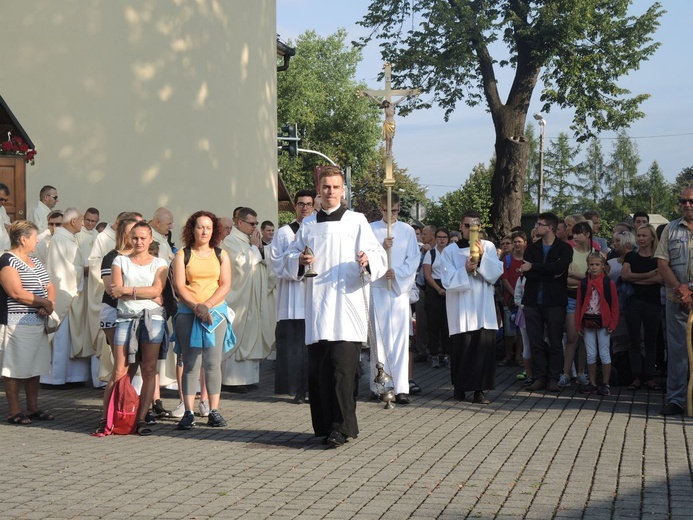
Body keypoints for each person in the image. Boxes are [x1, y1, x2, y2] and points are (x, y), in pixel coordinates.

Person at [286, 166, 387, 447]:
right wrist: (299, 261)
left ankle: (342, 427)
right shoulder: (307, 225)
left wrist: (368, 260)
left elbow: (378, 254)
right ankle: (324, 425)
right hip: (318, 306)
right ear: (319, 190)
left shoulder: (357, 221)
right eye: (326, 187)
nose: (330, 192)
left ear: (343, 191)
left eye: (335, 187)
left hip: (347, 305)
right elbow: (289, 257)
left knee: (343, 371)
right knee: (320, 372)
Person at [98, 221, 168, 436]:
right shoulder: (120, 260)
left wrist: (128, 290)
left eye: (143, 238)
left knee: (148, 370)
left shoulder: (160, 263)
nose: (138, 242)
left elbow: (158, 289)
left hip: (152, 320)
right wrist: (145, 293)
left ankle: (141, 419)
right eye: (135, 237)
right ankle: (108, 418)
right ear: (129, 238)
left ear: (150, 239)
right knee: (120, 370)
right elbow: (115, 291)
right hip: (125, 318)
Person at [172, 211, 235, 430]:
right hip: (188, 314)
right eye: (200, 227)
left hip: (215, 315)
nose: (204, 231)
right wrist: (196, 307)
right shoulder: (182, 254)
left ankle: (213, 410)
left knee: (212, 363)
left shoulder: (221, 254)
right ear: (192, 229)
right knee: (190, 363)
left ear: (214, 230)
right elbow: (180, 286)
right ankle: (188, 411)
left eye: (208, 227)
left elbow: (225, 284)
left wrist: (206, 305)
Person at [441, 210, 504, 403]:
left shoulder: (489, 247)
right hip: (461, 307)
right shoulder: (450, 251)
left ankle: (480, 391)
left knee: (483, 350)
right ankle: (459, 389)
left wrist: (484, 258)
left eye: (474, 226)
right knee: (463, 349)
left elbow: (495, 274)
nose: (471, 230)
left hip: (483, 307)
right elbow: (447, 280)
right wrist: (464, 270)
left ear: (480, 227)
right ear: (461, 227)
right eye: (467, 226)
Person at [0, 221, 56, 424]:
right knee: (15, 368)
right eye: (34, 237)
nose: (37, 240)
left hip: (37, 321)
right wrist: (44, 302)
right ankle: (14, 410)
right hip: (16, 323)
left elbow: (49, 284)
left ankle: (33, 408)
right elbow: (16, 292)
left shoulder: (34, 260)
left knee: (34, 366)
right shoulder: (7, 261)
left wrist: (48, 303)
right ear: (23, 239)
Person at [369, 193, 419, 404]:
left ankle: (401, 387)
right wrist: (381, 250)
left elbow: (414, 258)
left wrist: (396, 272)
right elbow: (364, 255)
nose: (390, 215)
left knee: (399, 340)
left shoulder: (407, 231)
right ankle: (381, 386)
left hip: (398, 291)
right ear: (380, 208)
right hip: (378, 288)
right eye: (386, 211)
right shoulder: (370, 229)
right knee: (379, 339)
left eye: (395, 211)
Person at [221, 207, 275, 390]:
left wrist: (258, 248)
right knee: (240, 335)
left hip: (253, 297)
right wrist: (254, 248)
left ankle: (249, 379)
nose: (255, 227)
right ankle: (231, 380)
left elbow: (262, 261)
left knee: (253, 334)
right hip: (240, 297)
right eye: (252, 224)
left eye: (256, 223)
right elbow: (240, 264)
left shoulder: (249, 240)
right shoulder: (230, 241)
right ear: (240, 223)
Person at [521, 212, 573, 392]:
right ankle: (539, 377)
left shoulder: (564, 249)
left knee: (555, 341)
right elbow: (527, 272)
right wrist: (548, 272)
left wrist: (535, 267)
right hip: (533, 300)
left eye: (539, 224)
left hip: (555, 301)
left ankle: (553, 378)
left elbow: (559, 268)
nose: (536, 227)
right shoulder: (532, 248)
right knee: (535, 342)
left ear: (549, 227)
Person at [270, 190, 314, 403]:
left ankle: (311, 388)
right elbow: (276, 262)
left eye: (308, 204)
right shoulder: (284, 233)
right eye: (300, 204)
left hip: (312, 296)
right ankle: (294, 389)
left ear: (314, 206)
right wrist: (298, 262)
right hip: (291, 297)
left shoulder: (317, 229)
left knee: (310, 348)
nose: (305, 207)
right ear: (295, 206)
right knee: (293, 346)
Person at [41, 208, 92, 386]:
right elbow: (59, 269)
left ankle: (74, 377)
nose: (83, 224)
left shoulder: (69, 238)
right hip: (66, 294)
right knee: (62, 337)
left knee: (70, 337)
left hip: (74, 293)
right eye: (81, 220)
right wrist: (83, 270)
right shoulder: (59, 239)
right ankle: (57, 378)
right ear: (73, 222)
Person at [655, 187, 693, 416]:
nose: (687, 205)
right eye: (683, 201)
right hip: (676, 299)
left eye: (691, 201)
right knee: (677, 351)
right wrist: (681, 289)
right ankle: (676, 399)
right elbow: (661, 263)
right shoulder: (670, 229)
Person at [622, 224, 662, 391]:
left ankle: (650, 376)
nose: (641, 238)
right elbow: (625, 276)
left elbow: (660, 279)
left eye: (644, 236)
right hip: (634, 301)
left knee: (651, 340)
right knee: (634, 340)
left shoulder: (658, 258)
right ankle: (636, 376)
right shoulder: (630, 256)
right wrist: (648, 275)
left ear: (652, 237)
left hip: (652, 302)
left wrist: (635, 279)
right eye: (639, 235)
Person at [575, 252, 619, 396]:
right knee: (591, 354)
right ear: (588, 266)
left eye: (597, 264)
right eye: (591, 265)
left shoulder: (608, 283)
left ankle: (605, 383)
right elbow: (579, 305)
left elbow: (614, 305)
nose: (594, 267)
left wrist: (613, 323)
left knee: (605, 353)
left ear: (602, 266)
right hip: (588, 321)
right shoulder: (583, 284)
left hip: (604, 323)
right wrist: (578, 324)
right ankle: (592, 382)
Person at [558, 221, 594, 388]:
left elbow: (596, 279)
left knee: (584, 337)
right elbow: (566, 279)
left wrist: (576, 275)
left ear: (587, 234)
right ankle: (566, 373)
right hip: (572, 298)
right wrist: (585, 278)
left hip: (590, 300)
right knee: (572, 337)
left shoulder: (595, 254)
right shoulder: (569, 252)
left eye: (578, 233)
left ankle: (581, 372)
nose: (575, 236)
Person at [423, 227, 451, 368]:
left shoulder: (452, 253)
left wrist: (448, 287)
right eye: (439, 237)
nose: (441, 239)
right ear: (435, 238)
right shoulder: (430, 254)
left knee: (447, 323)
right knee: (433, 323)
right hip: (434, 288)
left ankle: (447, 354)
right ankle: (434, 355)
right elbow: (427, 275)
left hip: (449, 287)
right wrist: (438, 288)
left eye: (444, 237)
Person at [499, 230, 526, 366]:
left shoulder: (528, 258)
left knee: (521, 331)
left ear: (524, 243)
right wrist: (515, 295)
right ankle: (508, 355)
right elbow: (504, 279)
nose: (516, 244)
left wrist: (521, 296)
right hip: (510, 299)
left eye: (519, 242)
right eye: (514, 242)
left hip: (524, 300)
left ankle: (519, 356)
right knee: (509, 331)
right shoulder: (507, 260)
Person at [0, 183, 12, 252]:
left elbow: (9, 226)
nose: (3, 202)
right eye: (1, 199)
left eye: (5, 200)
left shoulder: (2, 208)